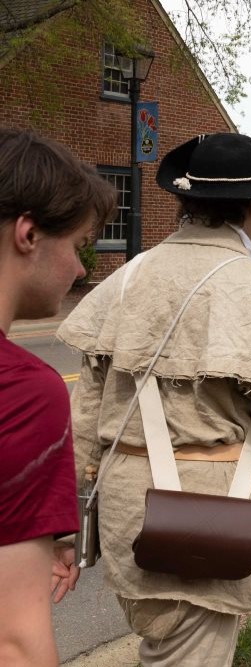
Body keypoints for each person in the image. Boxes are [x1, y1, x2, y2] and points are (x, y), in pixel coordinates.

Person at [56, 133, 251, 666]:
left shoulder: (126, 280)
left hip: (126, 506)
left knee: (162, 647)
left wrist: (72, 518)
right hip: (205, 513)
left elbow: (87, 415)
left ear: (183, 203)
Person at [0, 128, 115, 667]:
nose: (80, 269)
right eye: (76, 245)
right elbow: (14, 639)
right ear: (28, 234)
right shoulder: (23, 391)